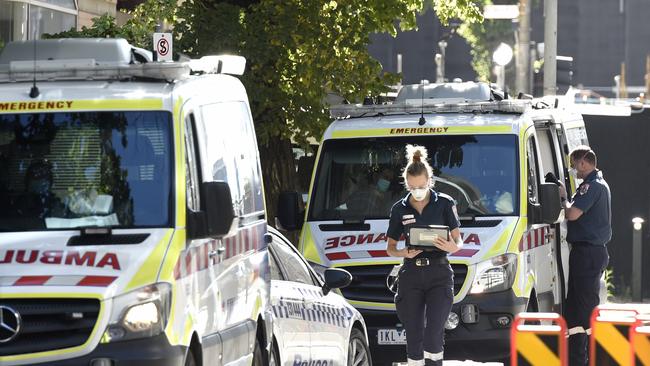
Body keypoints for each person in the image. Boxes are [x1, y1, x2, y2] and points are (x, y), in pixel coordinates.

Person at [386, 145, 463, 366]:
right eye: (412, 187)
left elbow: (459, 240)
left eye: (421, 186)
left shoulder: (445, 203)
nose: (417, 191)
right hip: (411, 274)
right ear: (407, 184)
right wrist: (402, 252)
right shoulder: (399, 209)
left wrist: (452, 247)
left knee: (434, 332)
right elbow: (390, 246)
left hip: (439, 272)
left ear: (429, 181)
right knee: (414, 334)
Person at [558, 146, 611, 366]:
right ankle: (578, 357)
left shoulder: (592, 186)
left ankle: (590, 358)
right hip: (587, 252)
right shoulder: (594, 184)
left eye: (574, 165)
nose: (573, 170)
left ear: (583, 163)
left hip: (588, 253)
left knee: (584, 307)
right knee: (576, 307)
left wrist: (561, 196)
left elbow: (572, 213)